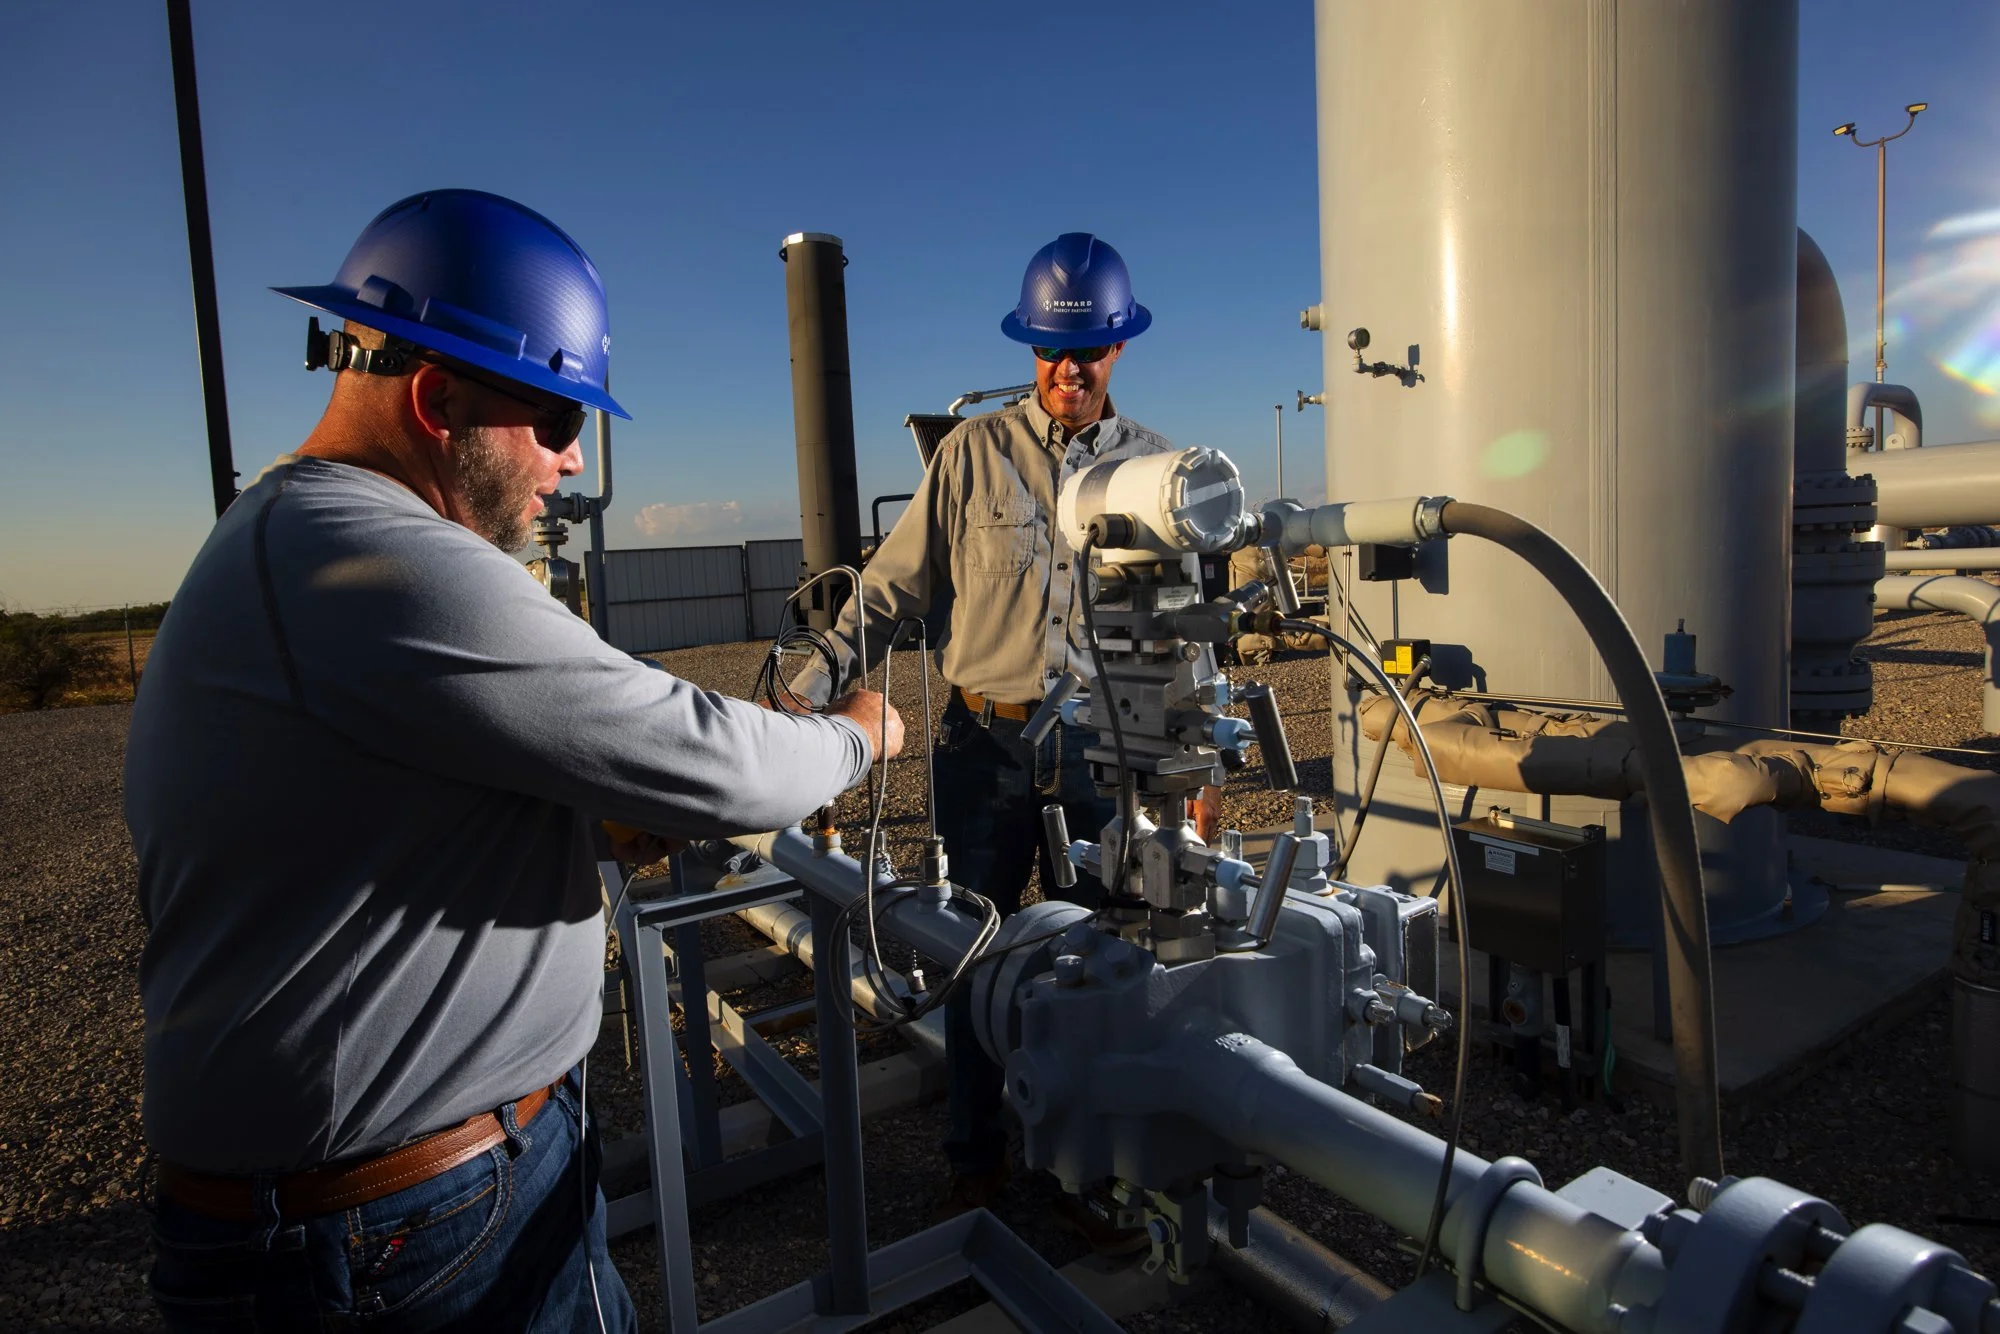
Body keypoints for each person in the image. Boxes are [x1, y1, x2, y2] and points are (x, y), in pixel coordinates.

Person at [127, 189, 903, 1333]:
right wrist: (859, 731)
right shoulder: (372, 559)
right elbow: (719, 759)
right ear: (439, 398)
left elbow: (375, 817)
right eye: (552, 415)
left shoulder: (290, 537)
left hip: (382, 1205)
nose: (574, 454)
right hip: (402, 1231)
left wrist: (577, 830)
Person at [788, 232, 1174, 1232]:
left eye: (1085, 352)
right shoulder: (971, 456)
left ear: (1119, 348)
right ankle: (975, 1154)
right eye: (1049, 349)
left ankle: (1090, 1161)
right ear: (1029, 345)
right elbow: (891, 588)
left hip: (1104, 751)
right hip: (984, 746)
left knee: (1105, 960)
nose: (1066, 369)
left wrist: (1189, 763)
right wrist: (805, 685)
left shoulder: (1155, 471)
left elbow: (1179, 633)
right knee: (970, 949)